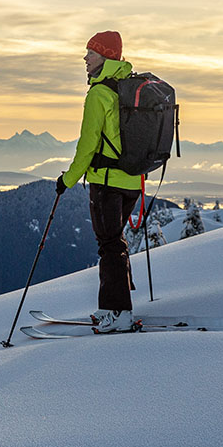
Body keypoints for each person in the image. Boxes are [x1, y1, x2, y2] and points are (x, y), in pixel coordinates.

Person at [55, 30, 142, 332]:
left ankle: (118, 313)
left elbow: (87, 145)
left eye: (90, 53)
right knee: (115, 243)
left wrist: (67, 180)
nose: (85, 58)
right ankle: (113, 307)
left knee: (108, 245)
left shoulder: (99, 94)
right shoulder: (127, 87)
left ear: (104, 57)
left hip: (106, 182)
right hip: (133, 182)